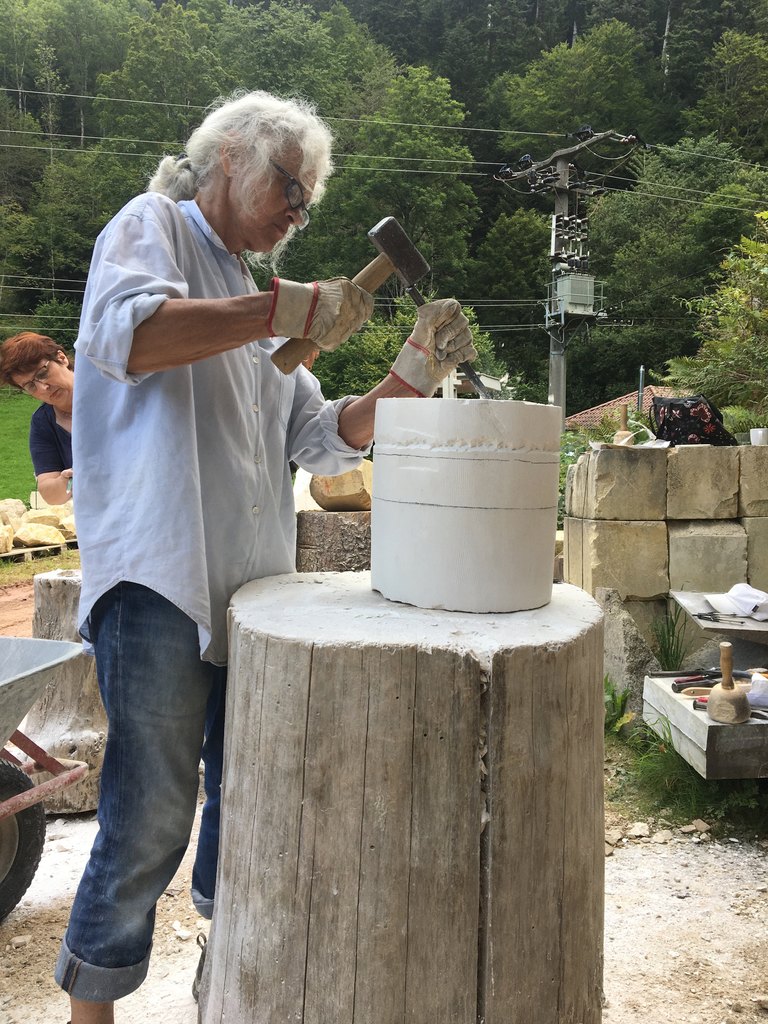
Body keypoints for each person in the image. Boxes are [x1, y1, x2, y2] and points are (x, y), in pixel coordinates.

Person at [56, 88, 476, 1024]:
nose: (297, 211)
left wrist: (411, 373)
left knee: (249, 804)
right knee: (149, 816)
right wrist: (282, 308)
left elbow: (322, 439)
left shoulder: (256, 300)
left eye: (307, 201)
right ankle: (92, 1012)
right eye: (290, 186)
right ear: (231, 157)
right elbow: (128, 336)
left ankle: (232, 985)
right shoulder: (153, 227)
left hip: (252, 592)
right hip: (159, 583)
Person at [0, 332, 74, 504]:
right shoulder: (43, 422)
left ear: (61, 358)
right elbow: (50, 494)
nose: (43, 387)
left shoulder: (111, 388)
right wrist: (69, 479)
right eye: (30, 386)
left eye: (42, 373)